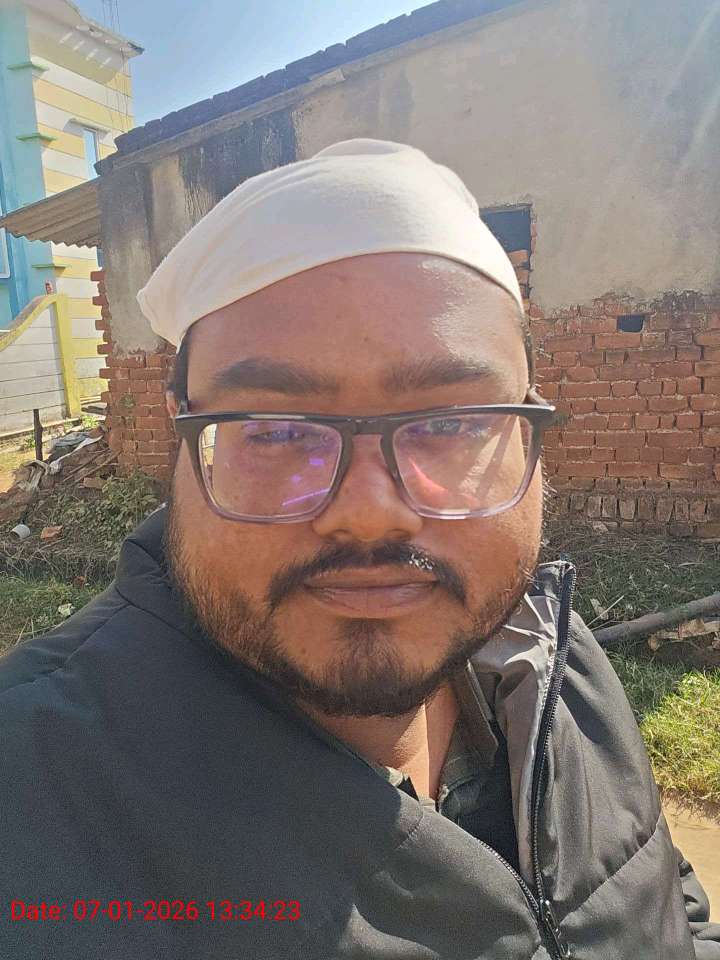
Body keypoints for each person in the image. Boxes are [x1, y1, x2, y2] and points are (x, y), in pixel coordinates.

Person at [0, 139, 717, 960]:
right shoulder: (32, 790)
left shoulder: (554, 658)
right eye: (274, 429)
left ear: (528, 431)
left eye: (450, 421)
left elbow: (665, 904)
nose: (368, 516)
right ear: (182, 440)